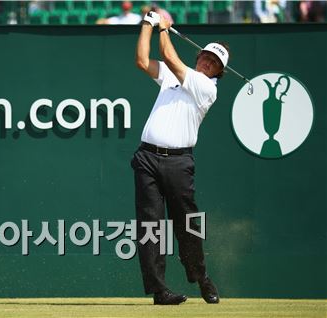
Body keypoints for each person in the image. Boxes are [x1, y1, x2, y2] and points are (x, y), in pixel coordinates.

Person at [132, 11, 227, 305]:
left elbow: (170, 57)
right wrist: (148, 25)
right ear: (199, 56)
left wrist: (163, 27)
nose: (207, 62)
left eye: (214, 63)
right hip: (147, 158)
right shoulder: (174, 76)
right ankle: (159, 290)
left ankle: (200, 277)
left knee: (186, 224)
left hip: (178, 163)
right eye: (206, 56)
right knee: (150, 226)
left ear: (216, 72)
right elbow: (142, 60)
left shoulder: (206, 88)